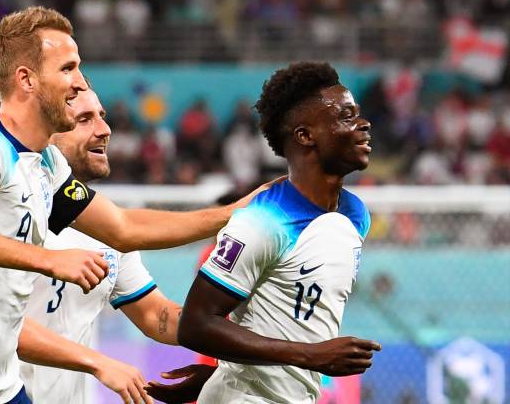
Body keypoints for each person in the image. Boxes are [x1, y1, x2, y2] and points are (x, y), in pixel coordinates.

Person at [0, 6, 261, 404]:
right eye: (68, 68)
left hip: (0, 391)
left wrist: (237, 214)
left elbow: (123, 229)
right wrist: (49, 261)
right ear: (26, 79)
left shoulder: (47, 163)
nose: (78, 81)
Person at [152, 62, 382, 404]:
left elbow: (279, 313)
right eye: (346, 116)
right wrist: (312, 355)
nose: (363, 124)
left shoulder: (354, 215)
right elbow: (196, 325)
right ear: (305, 136)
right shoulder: (259, 222)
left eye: (358, 113)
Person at [20, 87, 182, 404]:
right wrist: (98, 362)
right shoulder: (9, 212)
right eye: (84, 119)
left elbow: (154, 315)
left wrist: (229, 331)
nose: (104, 130)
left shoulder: (107, 231)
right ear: (48, 132)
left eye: (102, 117)